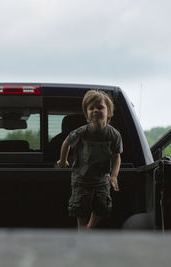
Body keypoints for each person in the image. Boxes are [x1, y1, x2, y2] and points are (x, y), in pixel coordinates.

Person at [56, 90, 122, 230]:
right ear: (86, 113)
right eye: (91, 108)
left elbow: (116, 156)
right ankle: (81, 228)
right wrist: (63, 161)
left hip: (102, 179)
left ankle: (90, 227)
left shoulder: (113, 134)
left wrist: (114, 176)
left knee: (103, 205)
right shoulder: (82, 132)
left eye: (100, 107)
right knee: (80, 207)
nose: (95, 110)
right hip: (81, 178)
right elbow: (67, 142)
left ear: (108, 112)